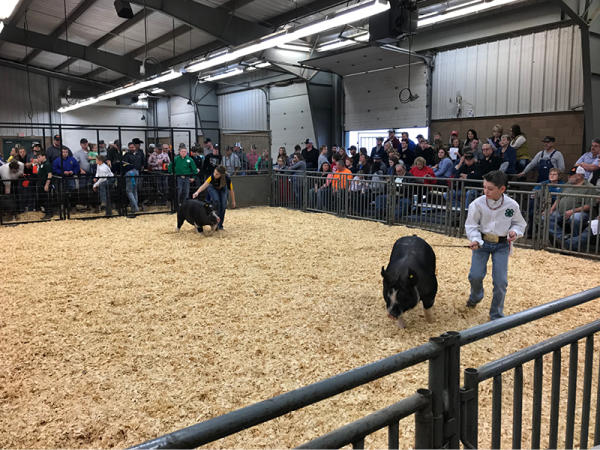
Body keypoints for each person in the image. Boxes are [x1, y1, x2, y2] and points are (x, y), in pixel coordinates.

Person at [465, 170, 527, 320]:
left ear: (502, 189)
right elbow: (471, 225)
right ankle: (476, 296)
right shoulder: (477, 204)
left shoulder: (512, 205)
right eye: (484, 187)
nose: (486, 191)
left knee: (500, 281)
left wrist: (514, 232)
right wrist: (475, 240)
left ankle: (496, 315)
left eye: (490, 188)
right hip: (482, 243)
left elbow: (519, 223)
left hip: (502, 245)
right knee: (475, 275)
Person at [548, 166, 597, 245]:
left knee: (576, 218)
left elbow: (589, 206)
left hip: (580, 213)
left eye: (571, 175)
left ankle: (573, 243)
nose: (569, 177)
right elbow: (559, 197)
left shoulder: (590, 187)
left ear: (580, 175)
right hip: (561, 212)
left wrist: (572, 211)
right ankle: (563, 238)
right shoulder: (567, 184)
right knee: (546, 217)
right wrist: (551, 209)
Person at [192, 165, 236, 230]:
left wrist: (233, 201)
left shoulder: (227, 178)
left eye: (217, 174)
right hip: (212, 187)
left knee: (223, 205)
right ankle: (214, 221)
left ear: (221, 175)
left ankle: (220, 225)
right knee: (216, 201)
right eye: (214, 172)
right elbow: (204, 185)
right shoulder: (212, 177)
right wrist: (197, 192)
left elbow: (231, 190)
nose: (215, 175)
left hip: (223, 188)